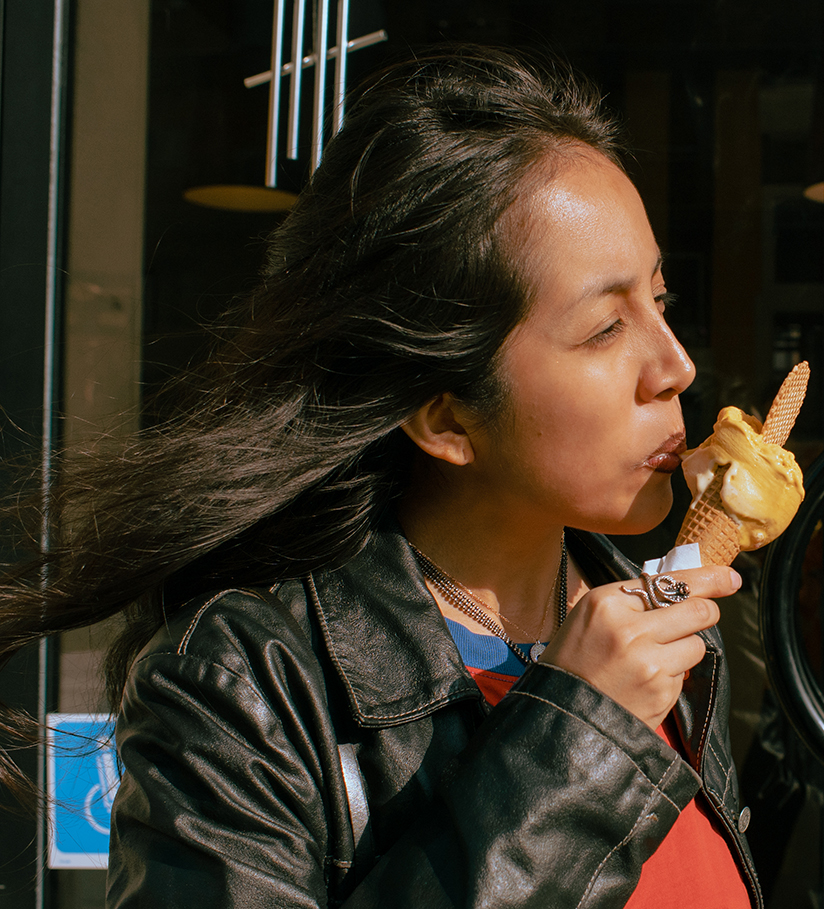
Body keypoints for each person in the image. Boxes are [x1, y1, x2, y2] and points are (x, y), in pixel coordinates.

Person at [0, 46, 760, 908]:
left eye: (658, 301)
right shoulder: (247, 686)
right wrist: (580, 736)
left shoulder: (659, 633)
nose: (677, 366)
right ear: (444, 417)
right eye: (602, 329)